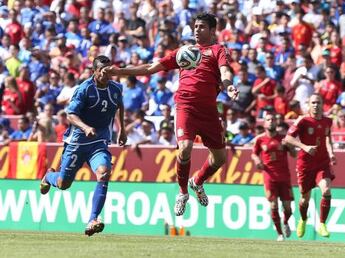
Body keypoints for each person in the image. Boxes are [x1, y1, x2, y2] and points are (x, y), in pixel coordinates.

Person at [102, 13, 239, 216]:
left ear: (212, 31)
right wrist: (119, 72)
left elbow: (225, 71)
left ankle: (197, 181)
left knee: (219, 158)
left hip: (209, 111)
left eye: (202, 26)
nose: (196, 30)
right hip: (186, 107)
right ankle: (183, 192)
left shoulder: (218, 50)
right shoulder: (183, 53)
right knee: (184, 148)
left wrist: (228, 87)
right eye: (195, 26)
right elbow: (150, 68)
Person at [39, 56, 127, 236]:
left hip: (99, 142)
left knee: (104, 172)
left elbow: (119, 105)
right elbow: (70, 115)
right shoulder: (84, 89)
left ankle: (93, 219)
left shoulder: (116, 88)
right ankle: (49, 177)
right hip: (77, 142)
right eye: (102, 70)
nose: (106, 73)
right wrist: (85, 127)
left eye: (109, 69)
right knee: (64, 184)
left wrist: (122, 129)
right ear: (94, 71)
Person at [284, 93, 336, 238]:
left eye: (318, 102)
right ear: (308, 105)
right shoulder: (302, 121)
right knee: (304, 198)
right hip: (305, 164)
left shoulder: (328, 121)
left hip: (322, 163)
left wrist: (331, 153)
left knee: (326, 190)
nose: (315, 105)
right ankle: (303, 219)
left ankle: (322, 224)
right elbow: (288, 138)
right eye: (313, 102)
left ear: (322, 104)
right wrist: (304, 146)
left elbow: (328, 139)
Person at [251, 114, 296, 242]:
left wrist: (290, 146)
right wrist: (257, 160)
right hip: (269, 176)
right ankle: (280, 234)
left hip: (284, 177)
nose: (271, 122)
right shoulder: (260, 139)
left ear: (276, 123)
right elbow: (254, 154)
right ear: (264, 123)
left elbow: (294, 154)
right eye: (268, 120)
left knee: (288, 208)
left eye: (273, 120)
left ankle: (286, 222)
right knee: (273, 205)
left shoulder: (283, 139)